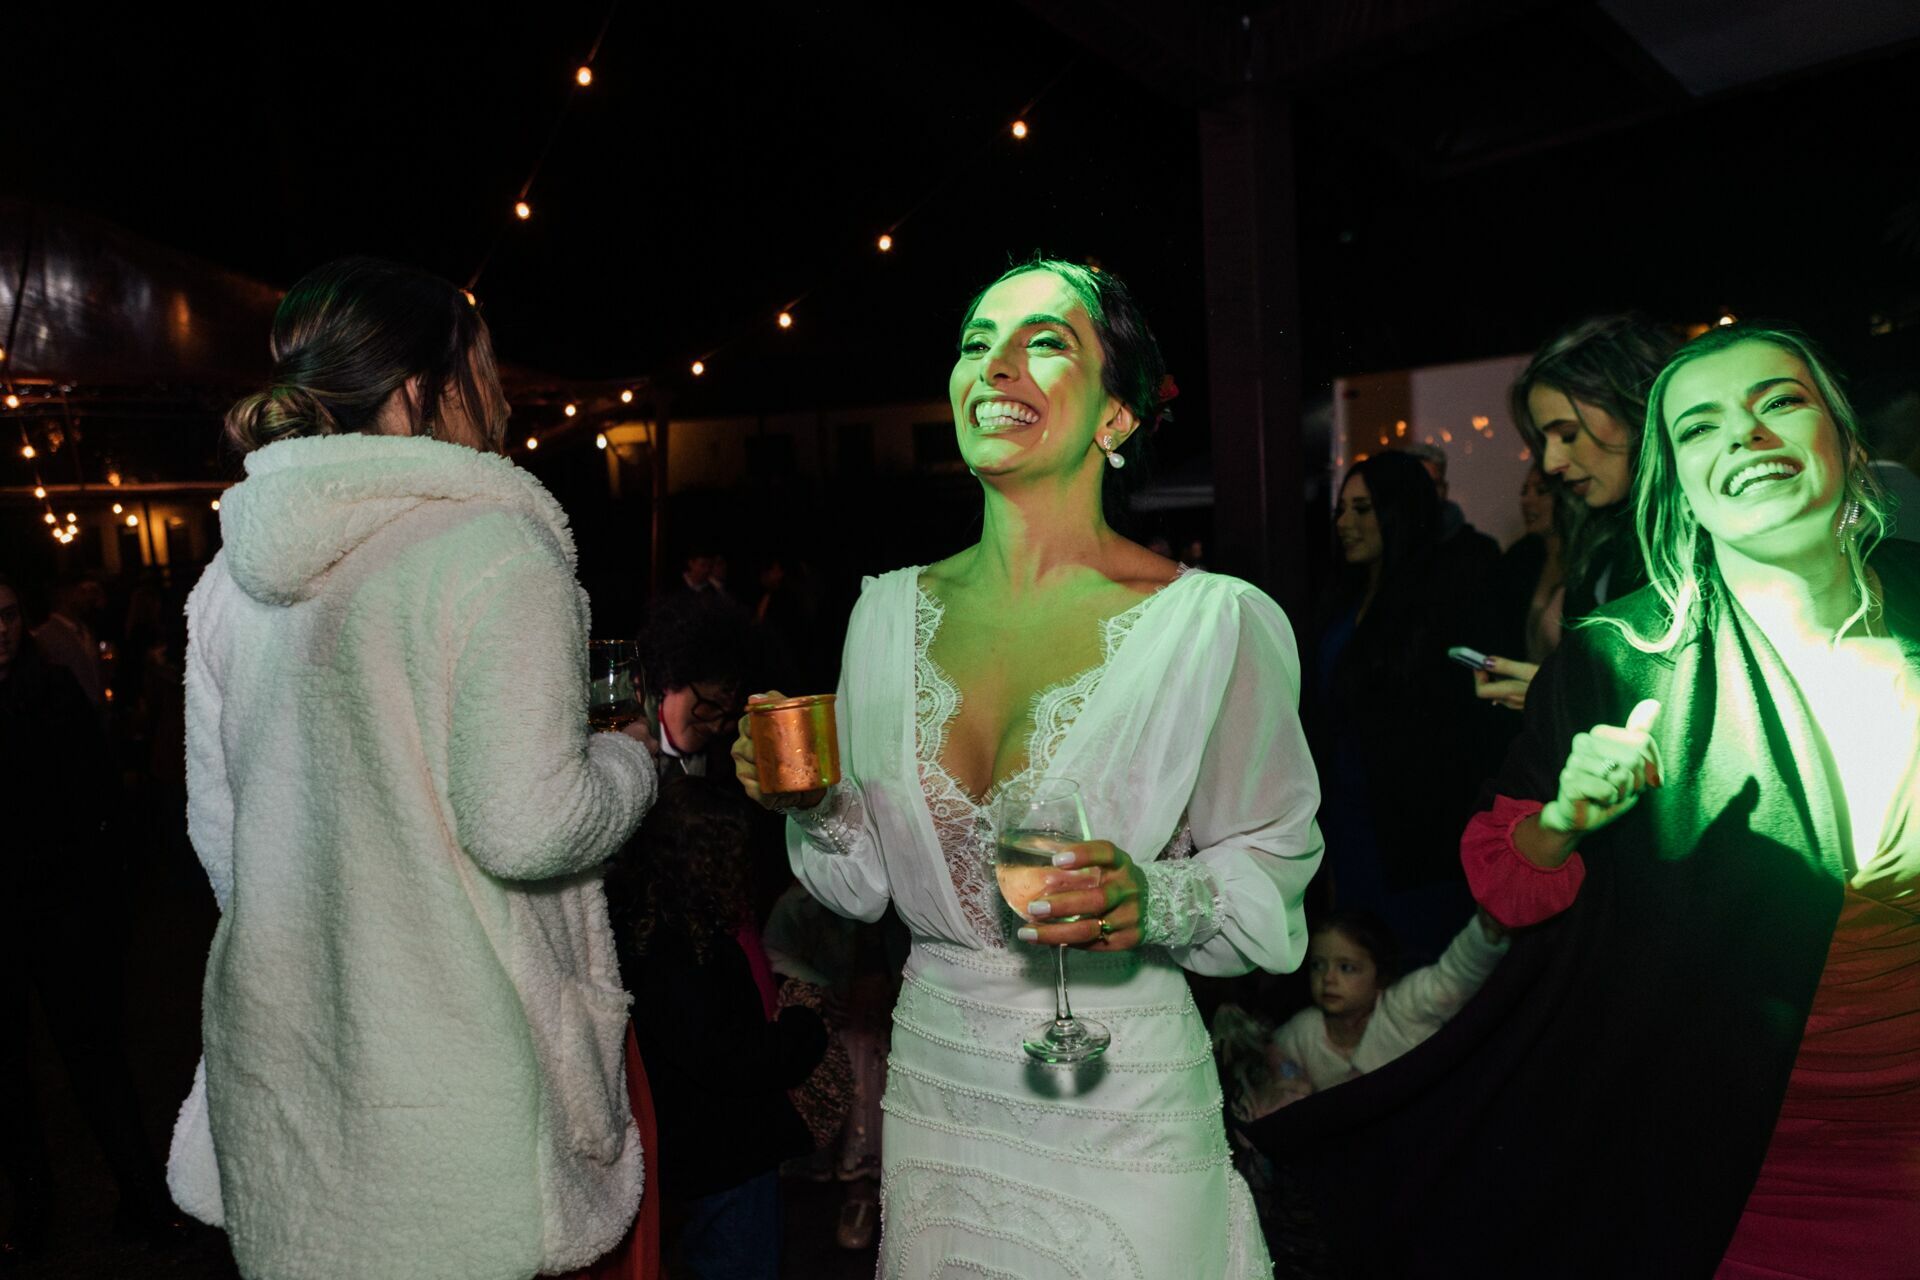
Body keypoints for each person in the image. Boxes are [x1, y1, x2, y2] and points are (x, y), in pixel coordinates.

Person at [1261, 325, 1920, 1277]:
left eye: (1778, 402)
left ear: (1846, 439)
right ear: (1677, 481)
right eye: (1701, 428)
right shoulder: (1624, 654)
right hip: (1734, 1162)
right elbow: (1501, 879)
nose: (1745, 435)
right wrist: (1566, 817)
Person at [732, 257, 1323, 1277]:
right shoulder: (883, 616)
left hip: (1115, 1090)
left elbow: (1274, 858)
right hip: (940, 1087)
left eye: (1044, 341)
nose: (993, 366)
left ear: (1119, 413)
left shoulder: (1212, 624)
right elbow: (861, 880)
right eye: (975, 343)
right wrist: (811, 800)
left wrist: (1158, 895)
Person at [165, 257, 659, 1280]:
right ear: (415, 392)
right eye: (483, 366)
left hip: (290, 1075)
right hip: (460, 1094)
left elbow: (224, 842)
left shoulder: (226, 580)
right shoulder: (491, 552)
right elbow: (528, 823)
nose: (505, 393)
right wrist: (632, 759)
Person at [1, 573, 181, 1262]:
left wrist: (101, 904)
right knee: (10, 1076)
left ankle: (144, 1197)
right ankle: (33, 1206)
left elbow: (100, 803)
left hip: (60, 914)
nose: (3, 630)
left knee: (96, 1058)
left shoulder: (50, 693)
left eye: (12, 615)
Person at [606, 776, 827, 1280]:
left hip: (685, 1153)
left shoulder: (637, 922)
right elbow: (728, 1057)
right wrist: (803, 1029)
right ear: (711, 855)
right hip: (723, 1157)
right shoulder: (681, 944)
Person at [1310, 450, 1487, 961]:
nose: (1345, 523)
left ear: (1398, 512)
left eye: (1363, 510)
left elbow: (1457, 732)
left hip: (1412, 834)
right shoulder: (1343, 597)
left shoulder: (1439, 600)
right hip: (1347, 818)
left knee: (1416, 974)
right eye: (1342, 510)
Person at [1476, 314, 1679, 711]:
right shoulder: (1602, 536)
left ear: (1636, 411)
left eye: (1568, 434)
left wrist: (1560, 690)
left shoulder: (1700, 539)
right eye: (1544, 440)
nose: (1551, 462)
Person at [637, 593, 750, 780]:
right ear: (670, 679)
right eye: (710, 706)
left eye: (729, 716)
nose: (716, 727)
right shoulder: (615, 723)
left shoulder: (725, 760)